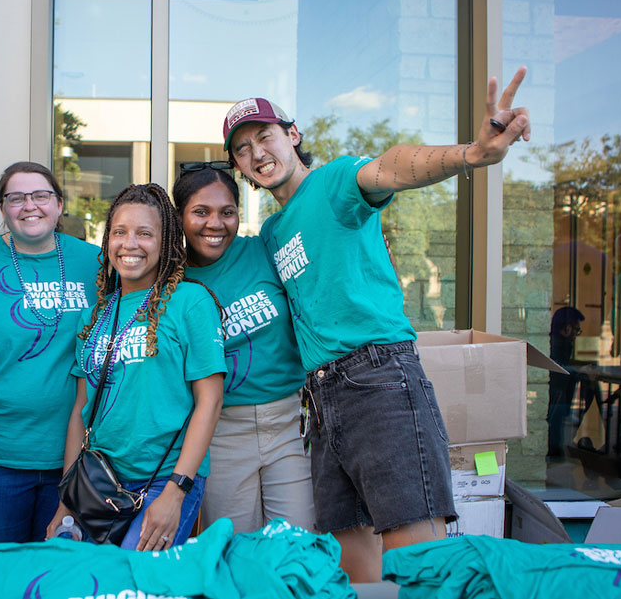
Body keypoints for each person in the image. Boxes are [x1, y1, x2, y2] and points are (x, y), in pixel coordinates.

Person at [221, 68, 532, 582]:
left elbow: (392, 167)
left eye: (265, 137)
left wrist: (470, 155)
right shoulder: (273, 232)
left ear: (292, 135)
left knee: (416, 556)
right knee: (352, 558)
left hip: (378, 379)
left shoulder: (334, 182)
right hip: (321, 400)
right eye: (242, 149)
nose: (256, 153)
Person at [46, 183, 226, 550]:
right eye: (119, 232)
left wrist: (177, 491)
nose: (130, 244)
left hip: (164, 480)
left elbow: (210, 402)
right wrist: (67, 501)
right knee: (91, 583)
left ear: (166, 242)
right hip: (99, 484)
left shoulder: (189, 302)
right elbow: (80, 413)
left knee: (135, 583)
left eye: (145, 233)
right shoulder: (95, 314)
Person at [0, 162, 100, 545]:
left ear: (60, 204)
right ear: (3, 209)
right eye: (16, 198)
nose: (29, 205)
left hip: (75, 457)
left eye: (41, 195)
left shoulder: (98, 263)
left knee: (57, 575)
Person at [171, 162, 314, 533]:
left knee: (296, 545)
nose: (215, 224)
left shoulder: (265, 248)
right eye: (200, 212)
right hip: (219, 433)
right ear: (179, 216)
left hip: (287, 424)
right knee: (233, 552)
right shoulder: (172, 281)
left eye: (227, 212)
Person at [547, 306, 584, 457]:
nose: (576, 334)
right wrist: (578, 371)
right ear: (567, 328)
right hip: (555, 389)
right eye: (576, 329)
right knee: (557, 415)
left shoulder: (560, 342)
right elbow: (558, 369)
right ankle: (555, 448)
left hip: (558, 389)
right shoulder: (557, 343)